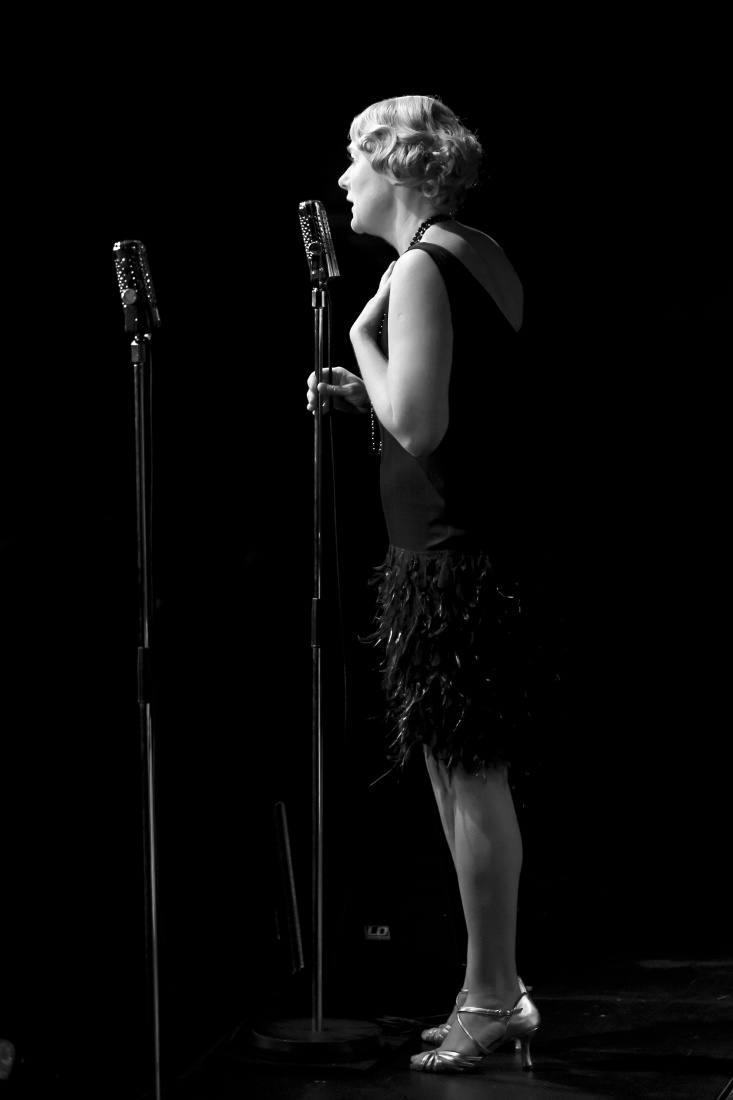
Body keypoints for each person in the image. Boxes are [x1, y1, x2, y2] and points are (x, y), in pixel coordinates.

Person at [306, 94, 542, 1074]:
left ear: (397, 166)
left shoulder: (414, 269)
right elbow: (459, 407)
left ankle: (491, 996)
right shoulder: (474, 250)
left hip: (448, 561)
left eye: (354, 159)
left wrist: (361, 341)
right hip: (463, 548)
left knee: (468, 777)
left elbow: (422, 424)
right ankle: (490, 988)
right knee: (461, 774)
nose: (342, 180)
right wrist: (370, 394)